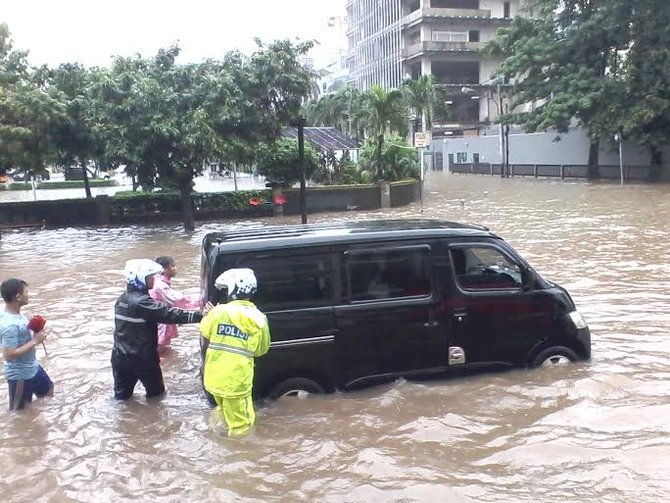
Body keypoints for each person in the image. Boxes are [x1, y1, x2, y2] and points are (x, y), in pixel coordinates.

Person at [112, 259, 206, 400]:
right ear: (141, 280)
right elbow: (170, 314)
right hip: (143, 360)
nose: (154, 279)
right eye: (151, 277)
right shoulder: (142, 303)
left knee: (121, 399)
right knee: (157, 397)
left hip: (119, 357)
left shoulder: (122, 299)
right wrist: (200, 315)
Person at [200, 268, 270, 437]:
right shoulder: (259, 319)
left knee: (224, 413)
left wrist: (206, 315)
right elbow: (261, 350)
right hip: (236, 382)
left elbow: (205, 330)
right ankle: (238, 459)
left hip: (214, 379)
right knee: (242, 426)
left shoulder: (218, 312)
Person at [0, 278, 54, 411]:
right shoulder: (10, 325)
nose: (28, 294)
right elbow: (8, 354)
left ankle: (36, 416)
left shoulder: (14, 314)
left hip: (32, 367)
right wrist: (35, 341)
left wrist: (32, 327)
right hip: (20, 376)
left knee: (48, 390)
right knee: (19, 413)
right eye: (27, 292)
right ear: (18, 297)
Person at [149, 256, 200, 354]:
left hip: (161, 319)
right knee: (159, 348)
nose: (175, 268)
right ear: (164, 269)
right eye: (173, 265)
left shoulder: (158, 281)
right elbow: (178, 300)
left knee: (163, 349)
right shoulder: (160, 285)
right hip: (161, 321)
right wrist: (200, 300)